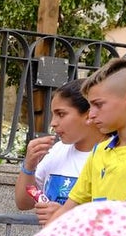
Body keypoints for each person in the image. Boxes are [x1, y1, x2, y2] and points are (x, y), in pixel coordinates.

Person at [49, 59, 126, 222]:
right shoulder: (99, 151)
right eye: (90, 106)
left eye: (98, 105)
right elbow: (66, 212)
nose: (91, 114)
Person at [15, 79, 105, 224]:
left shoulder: (112, 155)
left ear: (88, 115)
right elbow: (23, 203)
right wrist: (29, 166)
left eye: (61, 114)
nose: (53, 123)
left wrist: (65, 214)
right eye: (53, 114)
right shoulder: (57, 150)